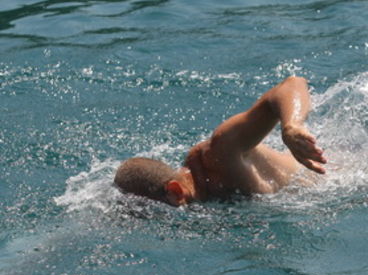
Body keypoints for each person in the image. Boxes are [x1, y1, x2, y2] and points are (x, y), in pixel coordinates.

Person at [114, 76, 327, 206]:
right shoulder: (206, 193)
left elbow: (292, 84)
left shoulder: (220, 154)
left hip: (341, 174)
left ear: (175, 191)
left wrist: (291, 126)